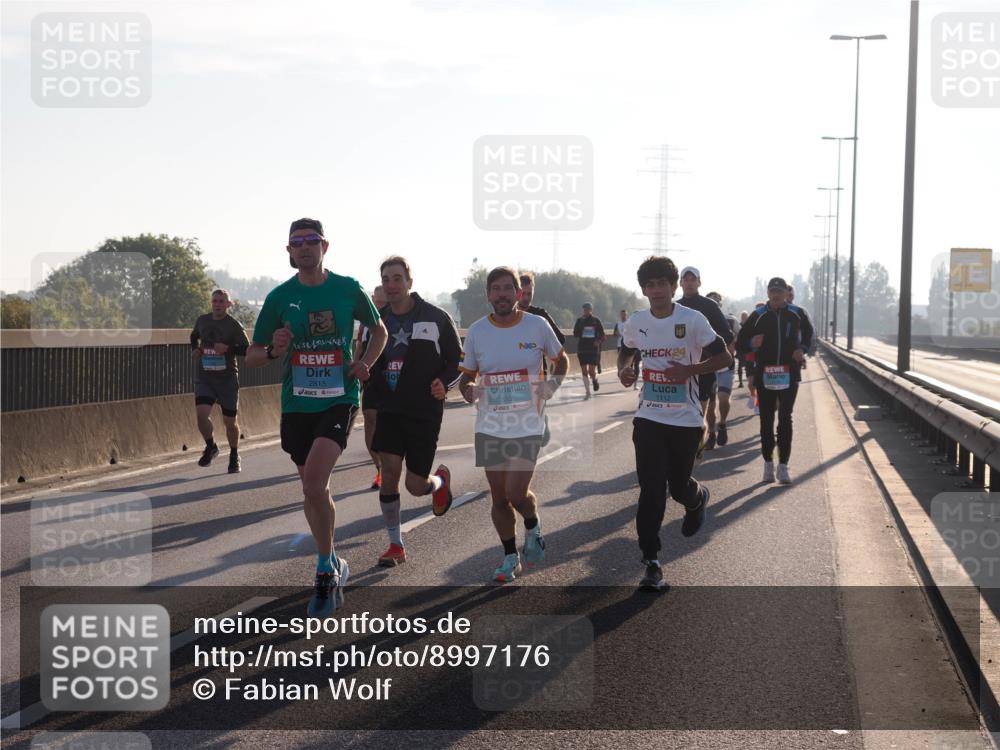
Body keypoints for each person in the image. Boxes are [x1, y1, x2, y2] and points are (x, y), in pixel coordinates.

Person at [247, 218, 387, 617]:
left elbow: (379, 332)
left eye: (312, 241)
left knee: (314, 481)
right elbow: (253, 356)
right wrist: (274, 350)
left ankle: (325, 570)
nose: (305, 247)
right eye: (297, 242)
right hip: (297, 403)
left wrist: (363, 363)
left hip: (339, 397)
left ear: (325, 246)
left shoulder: (347, 288)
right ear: (288, 251)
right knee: (312, 492)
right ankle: (334, 559)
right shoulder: (279, 298)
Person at [618, 256, 732, 591]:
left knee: (678, 486)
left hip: (686, 419)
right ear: (644, 289)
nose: (656, 290)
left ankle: (696, 499)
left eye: (662, 284)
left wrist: (690, 371)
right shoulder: (637, 322)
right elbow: (627, 352)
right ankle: (652, 562)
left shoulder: (693, 320)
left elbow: (726, 358)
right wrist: (626, 369)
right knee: (651, 490)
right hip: (649, 416)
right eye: (650, 285)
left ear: (673, 286)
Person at [457, 267, 569, 583]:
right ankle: (509, 557)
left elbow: (561, 360)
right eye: (496, 289)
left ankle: (532, 526)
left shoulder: (537, 325)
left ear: (519, 294)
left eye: (509, 288)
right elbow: (468, 375)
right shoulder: (478, 331)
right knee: (499, 498)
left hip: (527, 423)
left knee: (516, 493)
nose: (503, 294)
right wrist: (467, 389)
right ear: (489, 295)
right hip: (490, 424)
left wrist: (552, 386)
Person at [367, 256, 462, 567]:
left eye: (397, 278)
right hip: (391, 410)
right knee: (390, 474)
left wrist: (444, 383)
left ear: (410, 282)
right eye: (386, 279)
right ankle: (396, 545)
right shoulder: (378, 321)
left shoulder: (435, 317)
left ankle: (438, 484)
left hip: (424, 411)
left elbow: (457, 361)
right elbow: (371, 360)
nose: (391, 285)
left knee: (414, 485)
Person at [736, 277, 809, 484]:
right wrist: (751, 343)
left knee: (785, 418)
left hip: (789, 373)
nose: (776, 295)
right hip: (765, 374)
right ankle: (768, 464)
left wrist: (801, 350)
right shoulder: (758, 316)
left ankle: (783, 466)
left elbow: (809, 335)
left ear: (787, 293)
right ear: (767, 293)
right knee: (766, 421)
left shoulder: (797, 314)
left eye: (780, 291)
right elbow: (740, 342)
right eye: (772, 291)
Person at [190, 289, 250, 473]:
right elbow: (194, 336)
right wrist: (196, 349)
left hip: (227, 379)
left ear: (228, 304)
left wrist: (228, 348)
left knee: (229, 422)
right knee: (201, 414)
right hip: (205, 377)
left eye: (221, 301)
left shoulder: (233, 325)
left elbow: (246, 348)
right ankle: (211, 446)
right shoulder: (203, 320)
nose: (217, 304)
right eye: (214, 301)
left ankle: (234, 454)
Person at [676, 268, 734, 453]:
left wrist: (706, 344)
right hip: (680, 370)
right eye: (686, 279)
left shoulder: (709, 306)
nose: (690, 282)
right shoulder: (674, 307)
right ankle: (689, 452)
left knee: (697, 415)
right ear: (681, 283)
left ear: (699, 283)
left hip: (703, 369)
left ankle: (695, 451)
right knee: (680, 417)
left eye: (694, 279)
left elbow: (726, 333)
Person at [357, 286, 388, 489]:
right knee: (370, 420)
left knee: (389, 425)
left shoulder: (399, 319)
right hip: (371, 378)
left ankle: (391, 465)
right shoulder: (367, 323)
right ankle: (379, 468)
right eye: (375, 300)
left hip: (394, 379)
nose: (378, 304)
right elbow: (359, 345)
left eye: (382, 302)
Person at [705, 292, 739, 447]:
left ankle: (723, 423)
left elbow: (739, 337)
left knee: (724, 397)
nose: (714, 303)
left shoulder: (731, 320)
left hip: (725, 365)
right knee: (710, 405)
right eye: (710, 301)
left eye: (716, 301)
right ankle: (711, 432)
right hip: (707, 366)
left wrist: (733, 348)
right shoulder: (698, 320)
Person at [572, 303, 606, 399]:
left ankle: (594, 380)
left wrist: (598, 341)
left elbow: (603, 336)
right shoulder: (579, 320)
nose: (585, 311)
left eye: (587, 309)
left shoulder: (596, 321)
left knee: (591, 371)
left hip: (593, 350)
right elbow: (575, 334)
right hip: (582, 349)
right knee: (584, 372)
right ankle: (587, 392)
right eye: (584, 309)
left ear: (591, 310)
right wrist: (580, 330)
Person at [785, 285, 815, 356]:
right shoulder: (771, 311)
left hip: (795, 352)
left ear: (793, 296)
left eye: (790, 295)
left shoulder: (799, 311)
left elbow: (809, 330)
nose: (788, 297)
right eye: (786, 295)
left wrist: (803, 348)